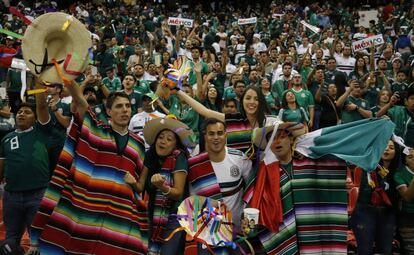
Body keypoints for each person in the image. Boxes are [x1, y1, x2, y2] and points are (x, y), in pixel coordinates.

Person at [29, 81, 149, 255]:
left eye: (127, 106)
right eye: (118, 107)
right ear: (108, 112)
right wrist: (71, 80)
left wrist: (134, 184)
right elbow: (80, 102)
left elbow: (139, 186)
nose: (125, 110)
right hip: (88, 208)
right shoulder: (97, 131)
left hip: (121, 212)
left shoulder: (138, 144)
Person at [125, 117, 192, 255]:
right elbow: (140, 186)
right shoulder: (150, 154)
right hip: (152, 214)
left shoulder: (179, 157)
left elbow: (178, 193)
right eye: (161, 137)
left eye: (169, 139)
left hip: (177, 215)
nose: (163, 141)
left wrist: (163, 187)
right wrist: (132, 182)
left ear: (175, 145)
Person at [186, 118, 253, 254]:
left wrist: (247, 221)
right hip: (208, 232)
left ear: (225, 135)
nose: (216, 138)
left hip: (238, 232)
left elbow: (252, 191)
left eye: (220, 133)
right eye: (211, 134)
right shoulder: (194, 164)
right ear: (205, 136)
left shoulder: (240, 158)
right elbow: (192, 203)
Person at [0, 86, 51, 249]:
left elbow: (42, 107)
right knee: (10, 241)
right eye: (20, 112)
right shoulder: (6, 139)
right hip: (11, 195)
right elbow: (1, 166)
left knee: (39, 243)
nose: (22, 113)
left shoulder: (40, 131)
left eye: (27, 112)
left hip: (37, 194)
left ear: (36, 119)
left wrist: (38, 87)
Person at [175, 85, 271, 154]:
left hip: (260, 174)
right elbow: (205, 111)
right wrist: (178, 91)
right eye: (248, 98)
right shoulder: (233, 119)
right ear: (242, 101)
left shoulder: (268, 122)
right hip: (236, 173)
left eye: (256, 99)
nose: (252, 102)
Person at [350, 140, 400, 255]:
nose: (387, 149)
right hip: (365, 211)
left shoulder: (398, 172)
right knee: (364, 251)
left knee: (385, 250)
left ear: (396, 153)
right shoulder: (367, 165)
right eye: (384, 146)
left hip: (388, 214)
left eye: (391, 148)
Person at [395, 148, 414, 255]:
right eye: (410, 157)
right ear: (405, 160)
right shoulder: (399, 174)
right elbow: (407, 197)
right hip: (408, 219)